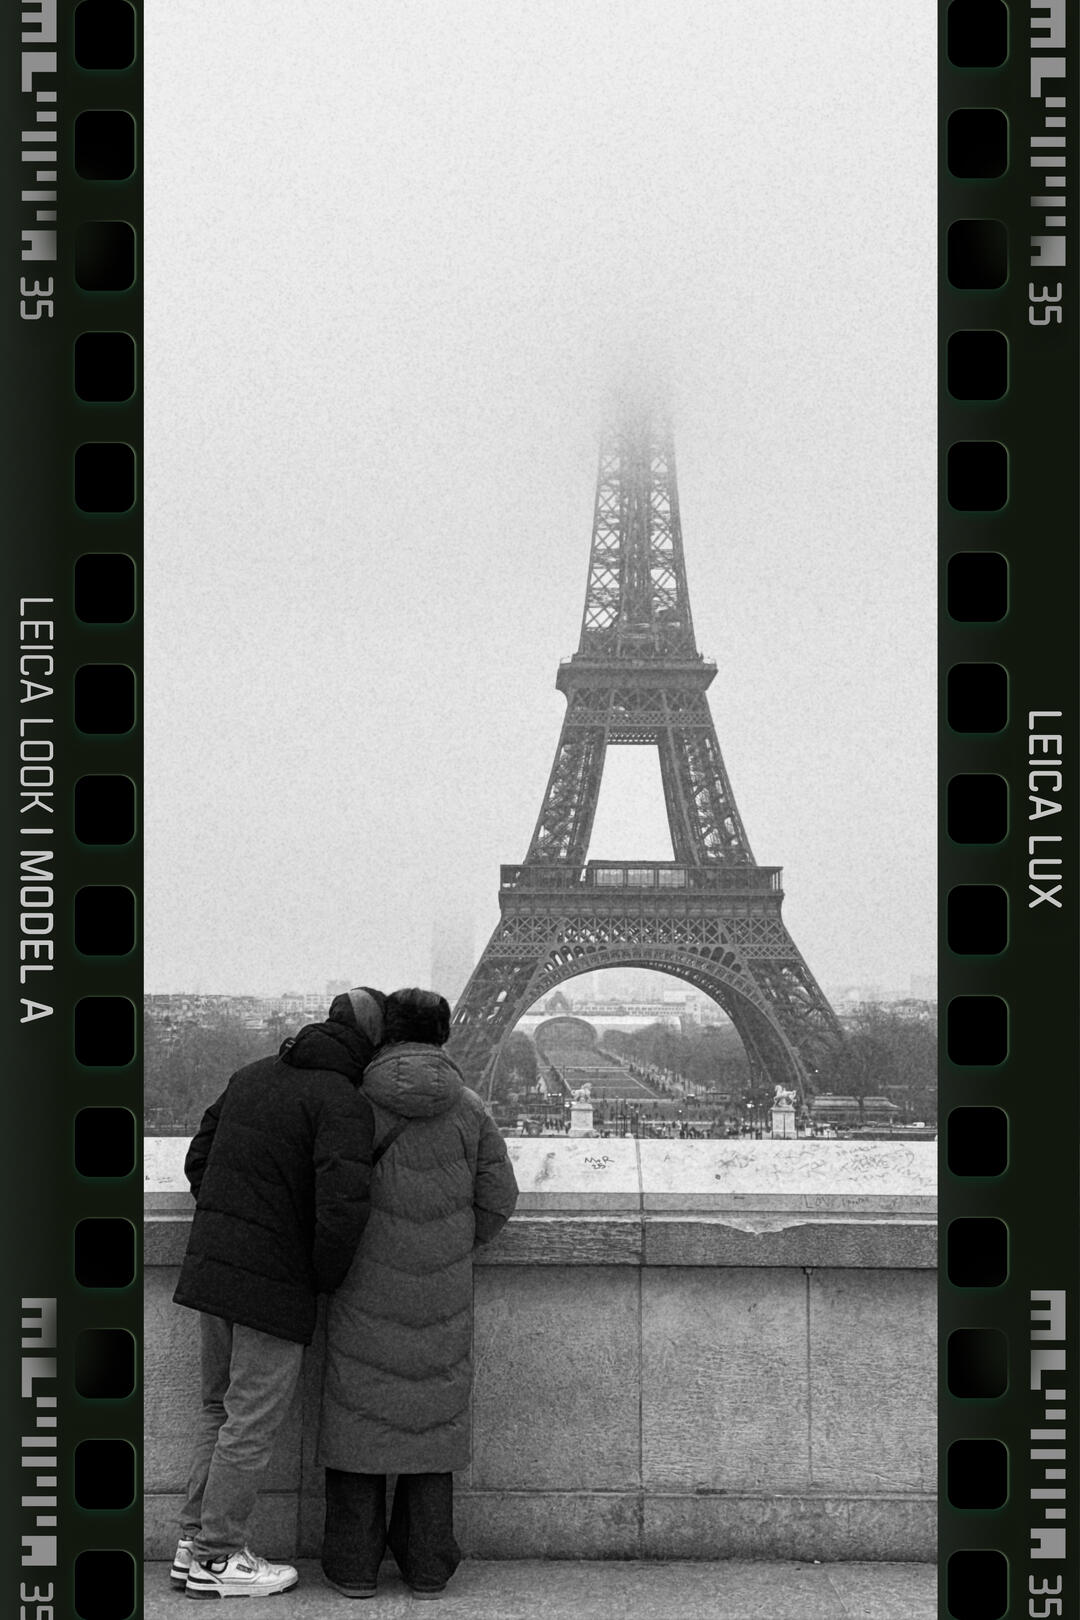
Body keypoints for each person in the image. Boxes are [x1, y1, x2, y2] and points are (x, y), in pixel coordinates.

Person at [171, 986, 386, 1599]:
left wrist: (230, 1224)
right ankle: (217, 1557)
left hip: (215, 1270)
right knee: (251, 1422)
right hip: (273, 1280)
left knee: (218, 1410)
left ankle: (194, 1544)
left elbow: (199, 1160)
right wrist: (319, 1275)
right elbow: (342, 1211)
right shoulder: (342, 1100)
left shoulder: (251, 1075)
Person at [318, 988, 519, 1600]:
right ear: (445, 1034)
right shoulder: (469, 1110)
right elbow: (499, 1198)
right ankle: (429, 1565)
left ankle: (353, 1566)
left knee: (359, 1416)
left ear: (385, 1036)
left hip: (361, 1283)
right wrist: (453, 1241)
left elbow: (326, 1191)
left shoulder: (352, 1102)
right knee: (433, 1422)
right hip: (442, 1287)